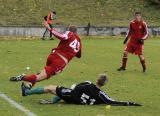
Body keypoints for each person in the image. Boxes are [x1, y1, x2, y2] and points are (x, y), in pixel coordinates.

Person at [10, 24, 82, 87]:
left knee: (42, 74)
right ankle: (22, 77)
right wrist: (50, 29)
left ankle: (28, 86)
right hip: (60, 61)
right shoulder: (77, 40)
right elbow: (78, 55)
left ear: (69, 29)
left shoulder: (70, 34)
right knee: (41, 76)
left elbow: (63, 37)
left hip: (53, 55)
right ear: (76, 32)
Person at [21, 74, 141, 106]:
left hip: (73, 97)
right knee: (60, 91)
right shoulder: (101, 94)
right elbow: (112, 101)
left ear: (97, 79)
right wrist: (130, 103)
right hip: (78, 101)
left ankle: (26, 92)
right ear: (104, 84)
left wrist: (73, 88)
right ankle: (54, 100)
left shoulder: (88, 84)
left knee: (50, 88)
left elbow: (76, 88)